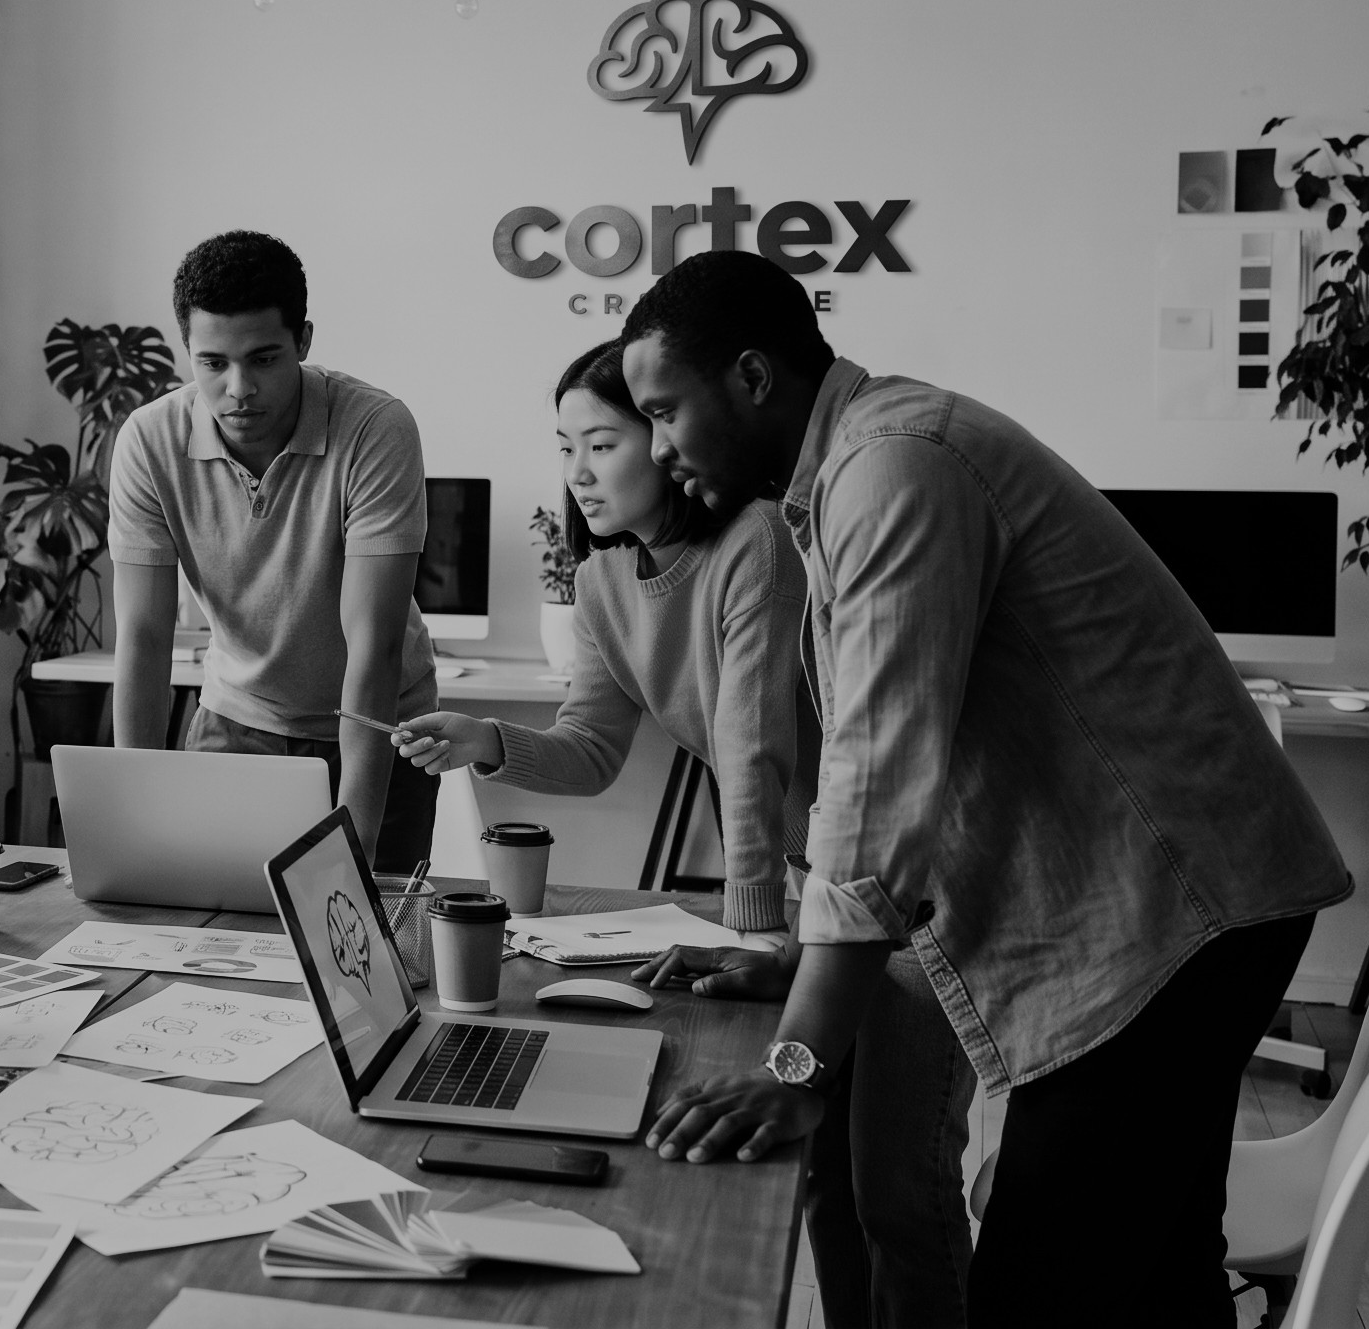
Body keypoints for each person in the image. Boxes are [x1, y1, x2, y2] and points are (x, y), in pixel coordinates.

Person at [620, 250, 1349, 1327]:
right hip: (1201, 914)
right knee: (1150, 1284)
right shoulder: (862, 465)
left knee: (1035, 1295)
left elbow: (876, 780)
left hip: (1170, 928)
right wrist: (793, 960)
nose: (654, 448)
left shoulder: (892, 468)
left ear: (751, 378)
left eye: (662, 409)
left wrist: (796, 1062)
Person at [392, 338, 974, 1329]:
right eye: (565, 445)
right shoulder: (606, 583)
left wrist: (747, 931)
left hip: (906, 882)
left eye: (604, 441)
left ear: (664, 442)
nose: (578, 470)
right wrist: (487, 739)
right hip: (810, 892)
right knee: (826, 1179)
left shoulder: (757, 540)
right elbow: (589, 749)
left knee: (898, 1190)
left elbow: (754, 751)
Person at [109, 230, 440, 869]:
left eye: (264, 359)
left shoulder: (375, 428)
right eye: (213, 363)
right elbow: (145, 634)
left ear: (304, 341)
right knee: (208, 935)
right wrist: (133, 811)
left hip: (381, 732)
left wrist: (357, 846)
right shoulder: (150, 441)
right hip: (237, 724)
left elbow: (374, 643)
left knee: (370, 946)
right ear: (189, 351)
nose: (239, 388)